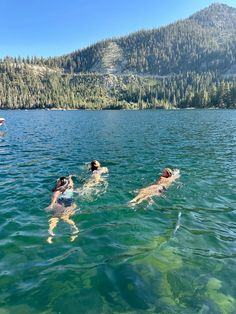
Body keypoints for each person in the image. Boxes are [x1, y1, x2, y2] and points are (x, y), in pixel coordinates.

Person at [47, 175, 79, 243]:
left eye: (58, 181)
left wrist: (51, 206)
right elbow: (71, 182)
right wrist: (70, 177)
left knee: (55, 217)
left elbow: (54, 199)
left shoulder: (57, 191)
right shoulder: (70, 187)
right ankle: (74, 228)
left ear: (59, 183)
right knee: (66, 218)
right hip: (70, 203)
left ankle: (51, 232)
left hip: (60, 203)